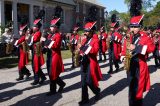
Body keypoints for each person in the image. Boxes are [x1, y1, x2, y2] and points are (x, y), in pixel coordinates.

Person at [121, 0, 155, 105]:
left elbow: (151, 48)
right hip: (130, 64)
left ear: (140, 27)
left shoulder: (144, 37)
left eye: (135, 26)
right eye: (132, 26)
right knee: (131, 87)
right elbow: (124, 48)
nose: (133, 28)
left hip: (140, 65)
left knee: (138, 89)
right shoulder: (128, 36)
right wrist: (123, 56)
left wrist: (136, 47)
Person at [78, 6, 102, 105]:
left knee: (89, 81)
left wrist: (82, 48)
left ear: (92, 31)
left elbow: (94, 51)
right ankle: (85, 99)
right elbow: (82, 51)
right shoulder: (84, 39)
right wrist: (79, 52)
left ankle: (97, 91)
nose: (85, 32)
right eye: (85, 30)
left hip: (91, 63)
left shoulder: (95, 39)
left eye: (87, 31)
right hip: (84, 62)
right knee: (83, 82)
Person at [45, 6, 66, 96]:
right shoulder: (50, 35)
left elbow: (56, 45)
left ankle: (53, 90)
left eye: (52, 27)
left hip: (55, 56)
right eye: (51, 26)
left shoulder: (58, 35)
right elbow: (47, 45)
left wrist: (46, 41)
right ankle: (61, 84)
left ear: (56, 27)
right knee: (50, 73)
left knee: (52, 73)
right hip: (50, 55)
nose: (51, 28)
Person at [29, 10, 46, 85]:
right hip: (33, 49)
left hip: (37, 50)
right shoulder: (34, 33)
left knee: (35, 65)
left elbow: (34, 39)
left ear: (37, 27)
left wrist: (30, 35)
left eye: (34, 26)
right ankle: (42, 76)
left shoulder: (38, 32)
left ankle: (37, 79)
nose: (33, 27)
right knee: (34, 65)